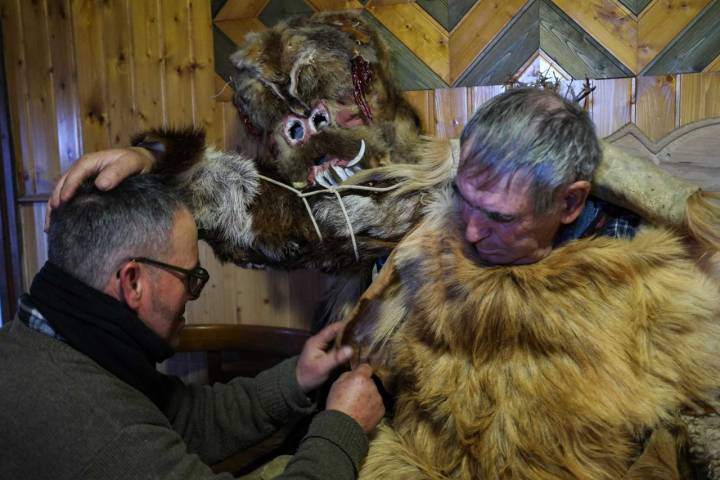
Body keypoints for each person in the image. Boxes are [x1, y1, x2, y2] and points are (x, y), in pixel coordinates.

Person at [338, 87, 720, 478]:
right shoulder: (427, 244)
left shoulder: (636, 266)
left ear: (569, 203)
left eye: (499, 218)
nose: (470, 231)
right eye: (463, 199)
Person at [0, 175, 384, 480]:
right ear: (133, 281)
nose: (193, 293)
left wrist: (297, 379)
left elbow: (181, 417)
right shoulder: (100, 431)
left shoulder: (58, 340)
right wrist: (342, 427)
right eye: (191, 276)